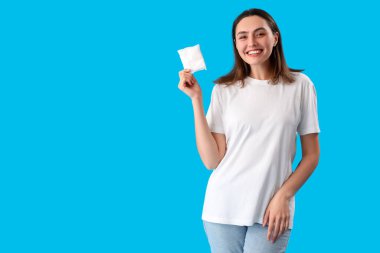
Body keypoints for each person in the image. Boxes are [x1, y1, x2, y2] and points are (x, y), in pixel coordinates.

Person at [177, 8, 320, 253]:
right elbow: (212, 160)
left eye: (259, 34)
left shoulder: (301, 86)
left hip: (272, 211)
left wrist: (284, 196)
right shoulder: (224, 90)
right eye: (242, 36)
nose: (251, 43)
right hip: (222, 209)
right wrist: (196, 100)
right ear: (235, 43)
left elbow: (311, 155)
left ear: (275, 38)